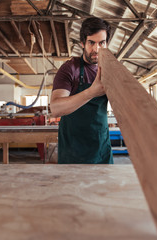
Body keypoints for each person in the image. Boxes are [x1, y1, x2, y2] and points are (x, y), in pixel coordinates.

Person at [50, 17, 113, 164]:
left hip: (101, 148)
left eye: (101, 43)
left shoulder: (110, 71)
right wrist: (92, 92)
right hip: (73, 151)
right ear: (82, 43)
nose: (96, 49)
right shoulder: (70, 69)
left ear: (107, 44)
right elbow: (55, 108)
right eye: (91, 43)